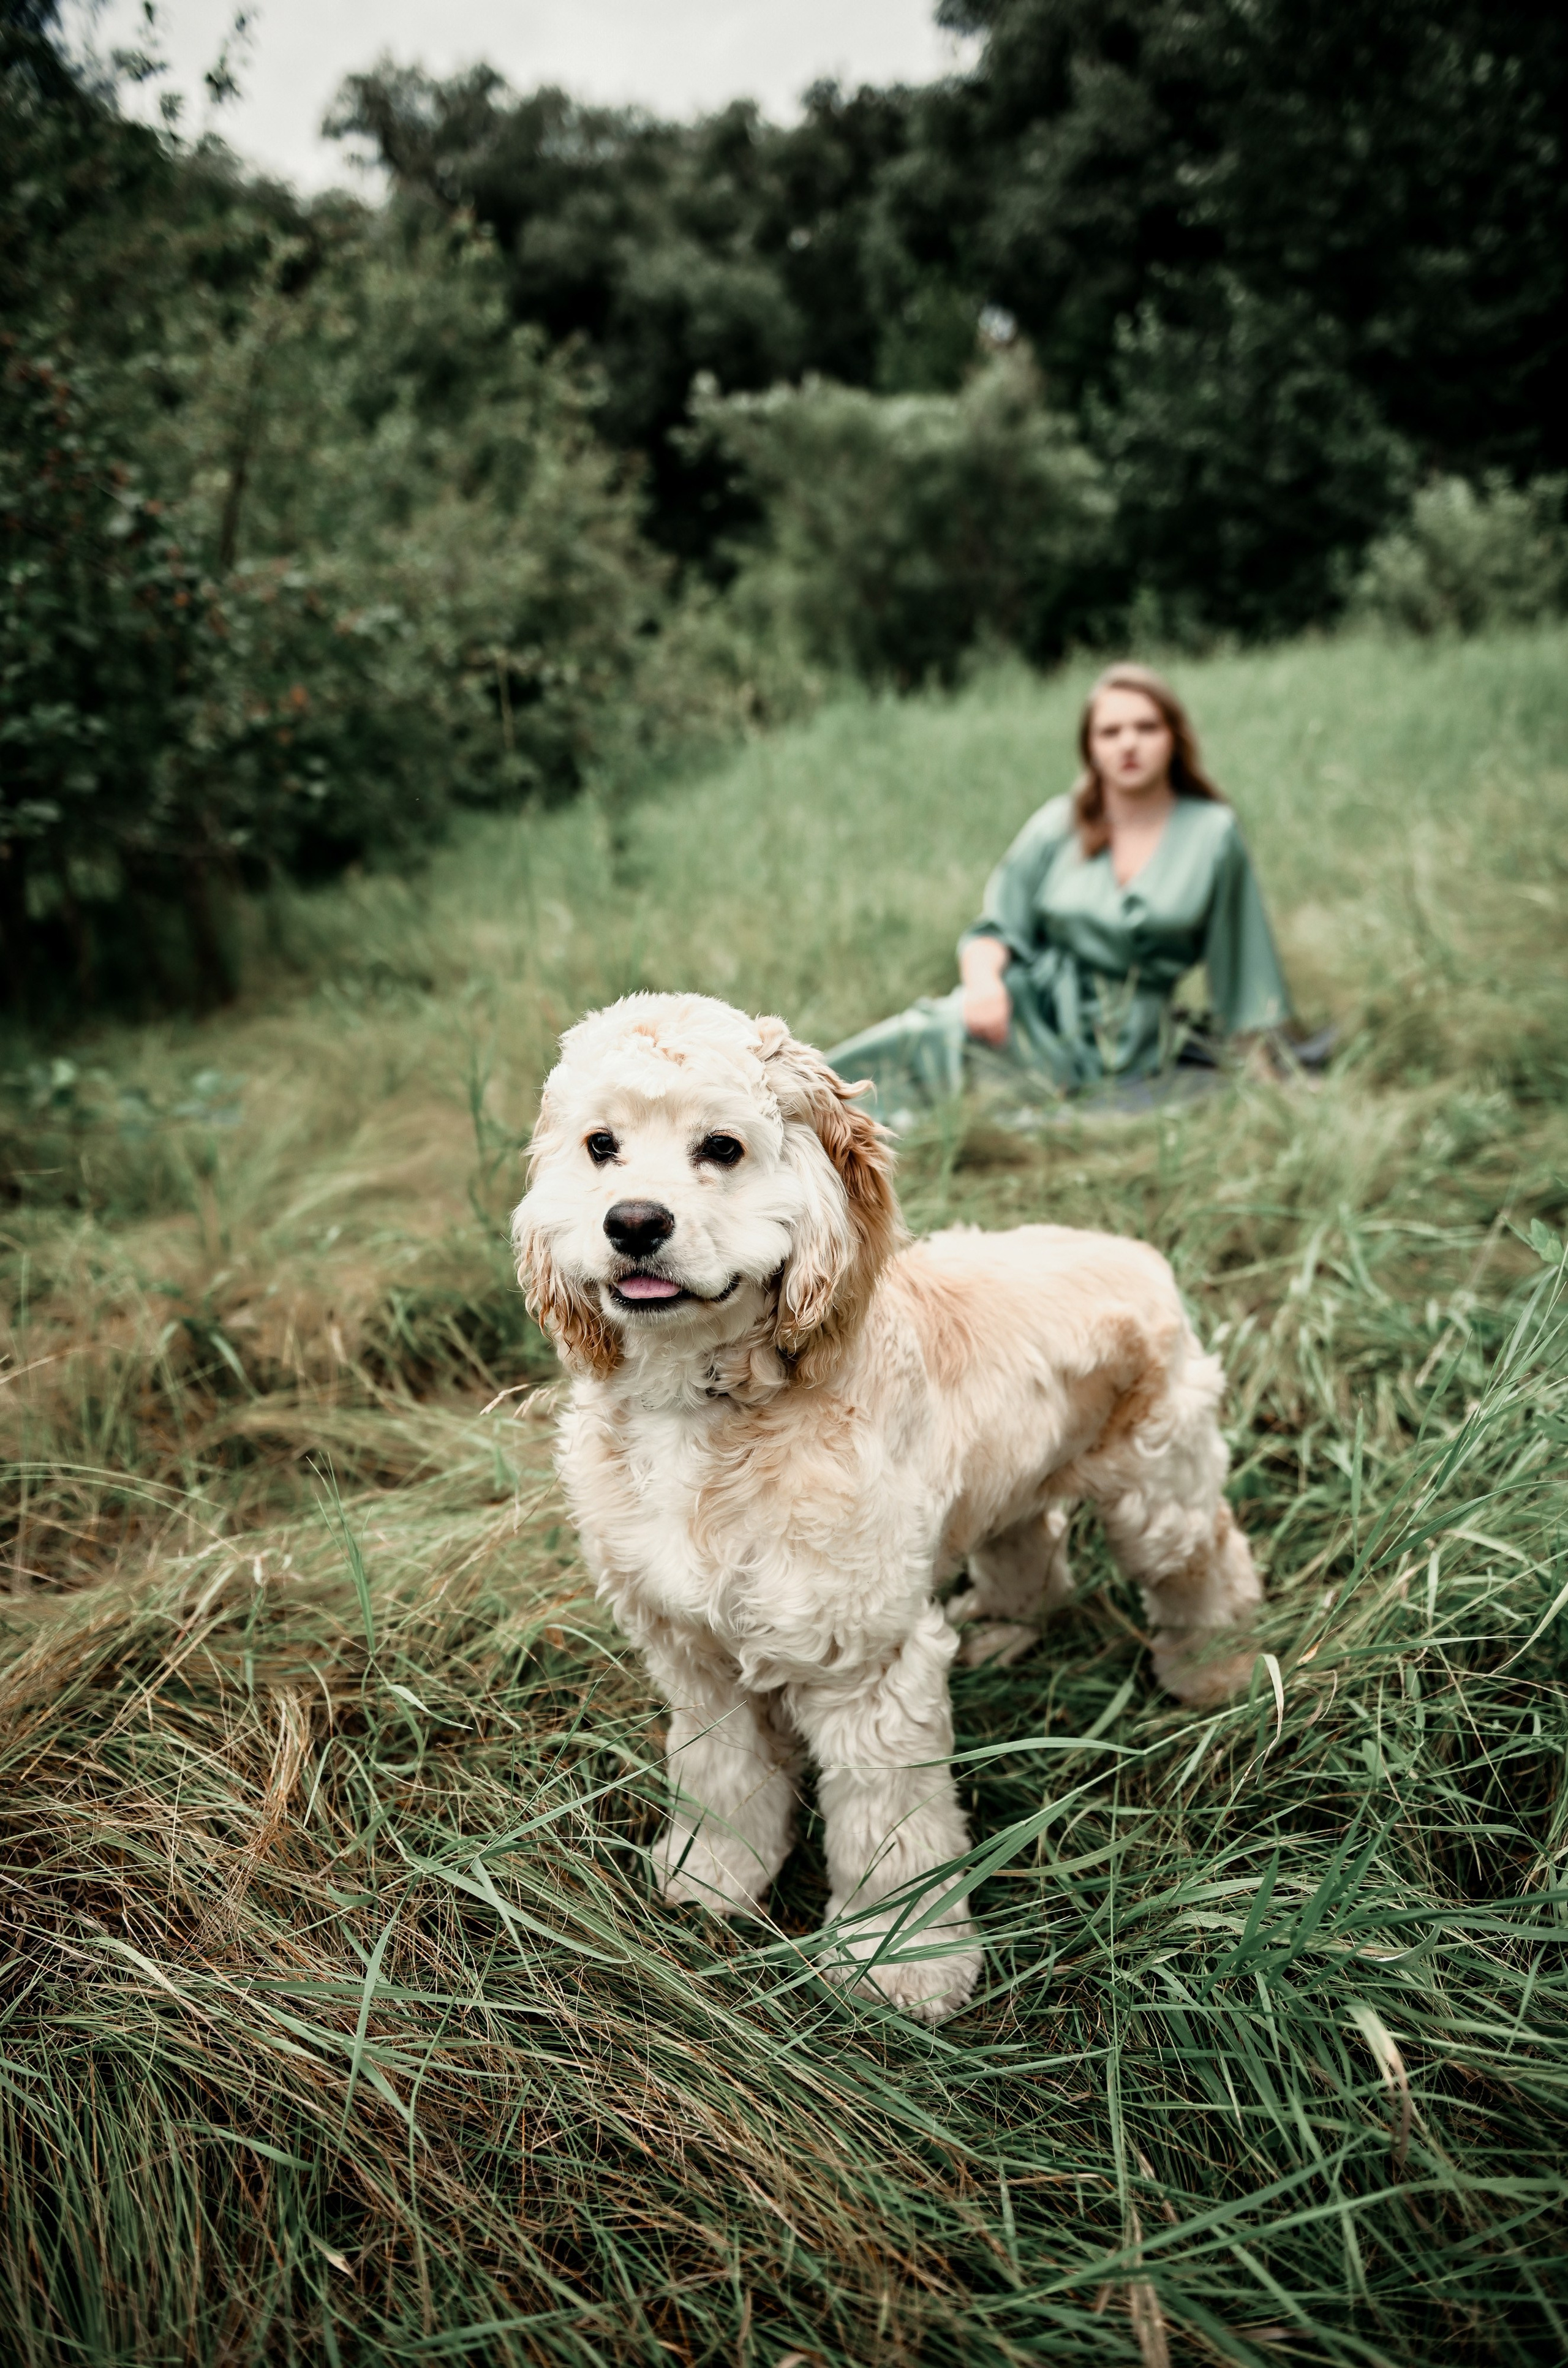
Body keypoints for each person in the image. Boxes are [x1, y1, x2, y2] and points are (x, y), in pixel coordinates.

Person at [826, 663, 1292, 1123]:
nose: (1128, 743)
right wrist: (984, 987)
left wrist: (1261, 1066)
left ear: (1174, 737)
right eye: (1110, 732)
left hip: (1135, 1042)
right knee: (919, 1041)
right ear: (1091, 748)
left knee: (998, 1114)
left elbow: (1243, 964)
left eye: (1147, 727)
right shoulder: (1058, 824)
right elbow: (996, 929)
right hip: (1033, 1010)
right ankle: (801, 1112)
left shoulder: (1212, 832)